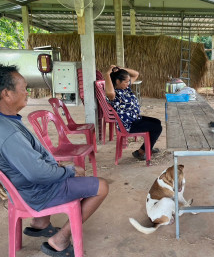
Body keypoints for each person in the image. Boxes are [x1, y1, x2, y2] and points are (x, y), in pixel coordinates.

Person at [0, 64, 109, 256]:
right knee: (101, 187)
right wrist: (69, 171)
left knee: (57, 169)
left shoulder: (7, 121)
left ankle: (40, 223)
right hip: (37, 192)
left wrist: (57, 167)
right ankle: (60, 240)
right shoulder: (8, 133)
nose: (28, 92)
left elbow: (32, 164)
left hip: (25, 188)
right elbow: (38, 173)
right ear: (6, 94)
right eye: (23, 88)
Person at [105, 65, 162, 160]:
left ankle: (147, 148)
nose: (128, 83)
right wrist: (107, 74)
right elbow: (109, 92)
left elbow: (136, 74)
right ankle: (142, 151)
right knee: (156, 127)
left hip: (135, 119)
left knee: (157, 122)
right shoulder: (114, 94)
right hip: (128, 125)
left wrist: (120, 69)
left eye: (128, 81)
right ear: (118, 82)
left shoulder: (125, 88)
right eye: (126, 81)